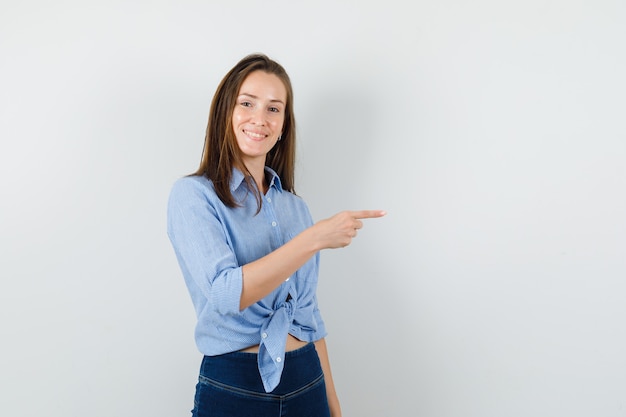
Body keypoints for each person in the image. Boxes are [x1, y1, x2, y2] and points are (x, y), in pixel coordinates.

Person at [167, 53, 385, 417]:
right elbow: (225, 293)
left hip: (306, 379)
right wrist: (314, 239)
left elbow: (309, 315)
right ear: (226, 111)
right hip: (235, 385)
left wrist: (334, 405)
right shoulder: (193, 195)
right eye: (247, 103)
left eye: (274, 109)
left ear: (284, 125)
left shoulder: (295, 208)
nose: (260, 119)